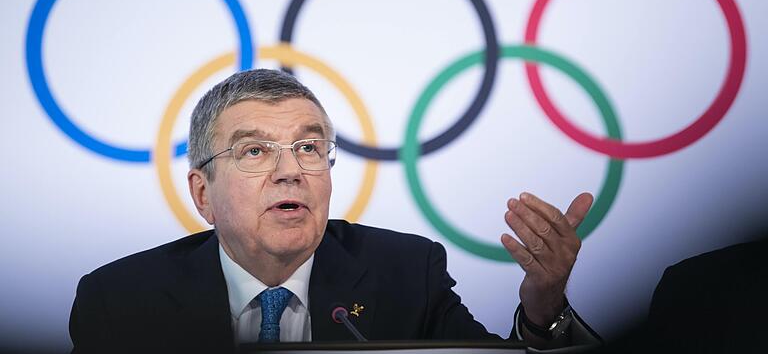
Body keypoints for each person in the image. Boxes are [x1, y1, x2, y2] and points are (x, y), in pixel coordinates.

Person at [69, 69, 600, 353]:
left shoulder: (407, 273)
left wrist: (543, 309)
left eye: (308, 147)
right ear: (202, 193)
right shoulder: (120, 302)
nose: (290, 170)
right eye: (255, 151)